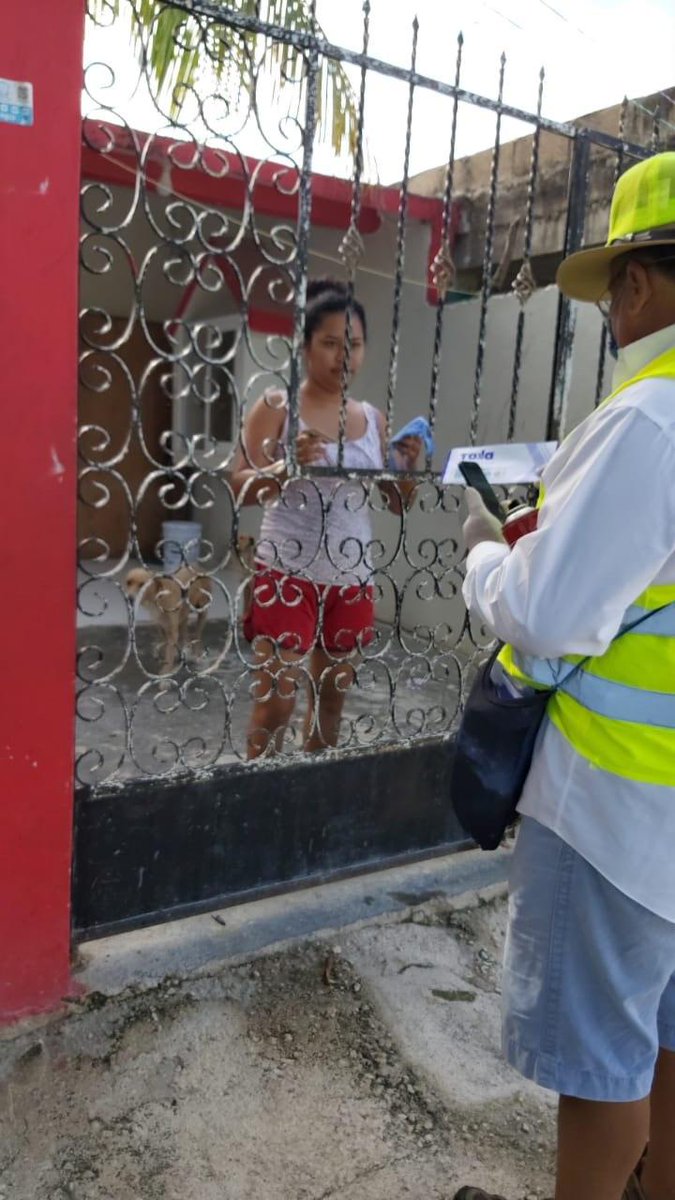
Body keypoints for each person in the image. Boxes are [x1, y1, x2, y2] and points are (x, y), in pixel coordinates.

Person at [455, 151, 675, 1200]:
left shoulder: (647, 422)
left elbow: (544, 618)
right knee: (667, 1044)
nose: (613, 316)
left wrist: (490, 561)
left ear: (638, 280)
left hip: (617, 810)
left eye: (615, 293)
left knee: (602, 1070)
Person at [230, 278, 421, 758]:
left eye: (353, 345)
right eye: (331, 343)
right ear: (306, 345)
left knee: (331, 702)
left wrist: (407, 470)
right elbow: (239, 486)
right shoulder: (277, 407)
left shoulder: (372, 419)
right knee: (276, 703)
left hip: (350, 577)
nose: (343, 357)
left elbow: (397, 503)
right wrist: (283, 466)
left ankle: (308, 799)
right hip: (286, 571)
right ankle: (259, 797)